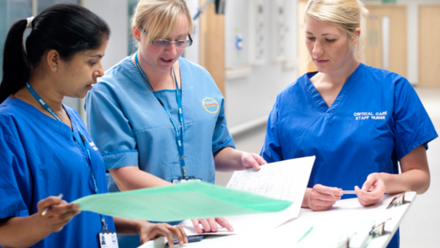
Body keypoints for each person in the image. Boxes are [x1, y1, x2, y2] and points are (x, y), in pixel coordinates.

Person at [0, 3, 187, 248]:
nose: (100, 71)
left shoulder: (69, 116)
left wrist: (139, 225)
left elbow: (87, 204)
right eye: (92, 61)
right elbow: (5, 232)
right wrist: (43, 223)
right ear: (54, 59)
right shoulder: (8, 126)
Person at [260, 0, 437, 247]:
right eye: (310, 37)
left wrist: (387, 182)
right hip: (303, 236)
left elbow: (420, 177)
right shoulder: (287, 101)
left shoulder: (393, 90)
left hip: (370, 235)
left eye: (329, 40)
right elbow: (267, 182)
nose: (316, 50)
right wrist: (305, 197)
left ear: (355, 36)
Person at [85, 0, 267, 239]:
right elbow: (125, 176)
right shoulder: (108, 92)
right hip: (144, 234)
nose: (172, 51)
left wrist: (240, 159)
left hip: (202, 227)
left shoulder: (200, 78)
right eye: (161, 41)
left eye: (181, 40)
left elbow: (215, 149)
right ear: (137, 33)